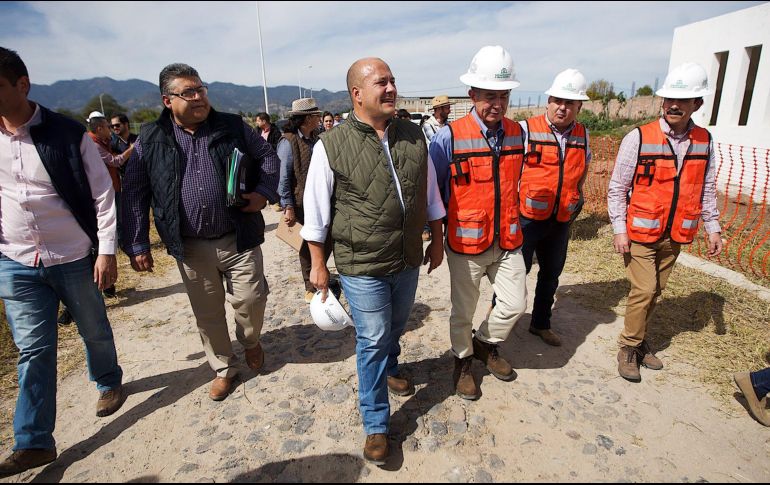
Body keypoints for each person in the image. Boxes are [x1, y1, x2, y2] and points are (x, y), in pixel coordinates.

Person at [301, 57, 445, 465]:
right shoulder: (331, 144)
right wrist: (317, 264)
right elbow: (316, 213)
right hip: (360, 262)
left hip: (406, 258)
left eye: (393, 80)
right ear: (357, 94)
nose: (391, 88)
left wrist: (436, 239)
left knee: (396, 326)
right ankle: (377, 425)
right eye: (381, 82)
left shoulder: (414, 135)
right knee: (373, 336)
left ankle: (392, 364)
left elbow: (430, 193)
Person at [0, 46, 125, 477]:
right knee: (33, 349)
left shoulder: (67, 134)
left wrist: (107, 250)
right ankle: (34, 442)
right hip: (16, 260)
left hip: (72, 255)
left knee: (93, 328)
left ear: (22, 84)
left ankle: (108, 381)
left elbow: (102, 195)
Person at [121, 63, 280, 401]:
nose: (198, 97)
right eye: (188, 92)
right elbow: (134, 192)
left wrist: (264, 192)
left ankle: (250, 340)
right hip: (190, 246)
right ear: (168, 100)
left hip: (237, 235)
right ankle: (225, 367)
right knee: (207, 313)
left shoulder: (233, 126)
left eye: (201, 90)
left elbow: (267, 156)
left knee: (252, 300)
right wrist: (137, 243)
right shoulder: (150, 138)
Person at [608, 62, 722, 382]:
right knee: (644, 289)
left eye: (683, 100)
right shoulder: (639, 137)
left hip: (676, 234)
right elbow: (618, 187)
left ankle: (640, 341)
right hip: (641, 232)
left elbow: (706, 188)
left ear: (697, 104)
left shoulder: (704, 141)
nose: (674, 105)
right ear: (662, 101)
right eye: (669, 98)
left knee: (656, 291)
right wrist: (619, 228)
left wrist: (713, 227)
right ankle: (628, 348)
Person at [430, 45, 528, 401]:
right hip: (466, 244)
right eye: (489, 96)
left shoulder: (518, 134)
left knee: (516, 304)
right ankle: (463, 362)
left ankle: (485, 343)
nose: (497, 104)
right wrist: (436, 237)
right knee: (463, 311)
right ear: (472, 95)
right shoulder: (448, 137)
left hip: (507, 240)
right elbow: (433, 192)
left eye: (503, 96)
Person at [516, 69, 592, 347]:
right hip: (527, 219)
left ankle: (540, 323)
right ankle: (499, 320)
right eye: (558, 100)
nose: (562, 107)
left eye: (569, 103)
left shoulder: (583, 135)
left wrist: (573, 202)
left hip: (560, 221)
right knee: (514, 273)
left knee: (551, 274)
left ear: (579, 107)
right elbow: (511, 173)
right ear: (548, 100)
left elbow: (582, 174)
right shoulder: (526, 130)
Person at [276, 98, 332, 303]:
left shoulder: (316, 138)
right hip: (301, 202)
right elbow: (283, 177)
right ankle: (310, 285)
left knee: (327, 240)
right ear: (307, 118)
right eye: (317, 116)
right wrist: (288, 206)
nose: (319, 119)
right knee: (307, 244)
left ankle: (320, 273)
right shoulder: (288, 141)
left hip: (321, 197)